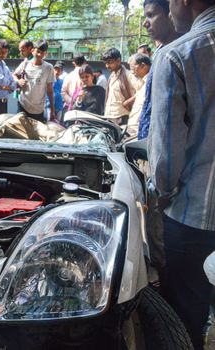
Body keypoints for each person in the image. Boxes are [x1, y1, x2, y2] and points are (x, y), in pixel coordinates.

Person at [148, 1, 215, 348]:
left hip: (195, 221)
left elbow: (165, 164)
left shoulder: (178, 55)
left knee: (184, 323)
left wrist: (157, 196)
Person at [137, 0, 180, 139]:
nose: (145, 23)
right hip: (150, 141)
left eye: (151, 15)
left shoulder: (180, 54)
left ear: (171, 13)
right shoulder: (160, 53)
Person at [14, 40, 55, 122]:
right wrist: (18, 81)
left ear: (45, 54)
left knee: (36, 133)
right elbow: (14, 74)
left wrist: (52, 109)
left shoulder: (49, 67)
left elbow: (50, 90)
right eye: (38, 51)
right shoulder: (25, 64)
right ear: (32, 51)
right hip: (23, 106)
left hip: (38, 110)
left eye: (42, 53)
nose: (40, 55)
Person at [102, 48, 134, 124]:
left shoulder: (128, 75)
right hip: (109, 116)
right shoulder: (111, 76)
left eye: (109, 62)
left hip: (123, 117)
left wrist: (127, 102)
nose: (107, 66)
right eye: (105, 63)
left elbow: (142, 91)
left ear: (118, 61)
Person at [126, 54, 151, 136]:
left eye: (133, 68)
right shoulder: (142, 83)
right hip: (134, 129)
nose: (132, 72)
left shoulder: (150, 83)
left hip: (140, 131)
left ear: (143, 66)